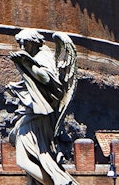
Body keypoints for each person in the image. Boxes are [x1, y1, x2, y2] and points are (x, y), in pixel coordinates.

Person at [7, 29, 78, 185]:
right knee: (34, 160)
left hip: (38, 118)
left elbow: (49, 81)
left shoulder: (43, 56)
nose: (22, 48)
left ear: (33, 42)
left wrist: (26, 63)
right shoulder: (34, 56)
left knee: (24, 160)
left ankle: (57, 183)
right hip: (32, 114)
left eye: (24, 44)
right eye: (20, 44)